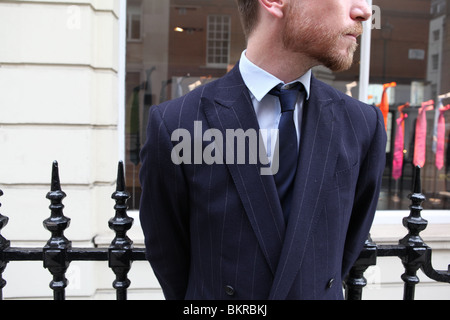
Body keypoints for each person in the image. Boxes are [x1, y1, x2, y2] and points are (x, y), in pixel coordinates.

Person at [139, 0, 386, 300]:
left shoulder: (363, 124)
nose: (364, 11)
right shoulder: (177, 123)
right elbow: (168, 253)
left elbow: (346, 247)